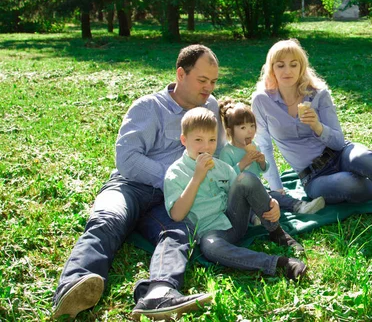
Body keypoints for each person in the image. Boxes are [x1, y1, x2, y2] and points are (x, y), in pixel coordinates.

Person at [52, 45, 237, 320]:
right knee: (107, 220)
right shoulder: (149, 107)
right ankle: (76, 284)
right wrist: (173, 178)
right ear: (180, 74)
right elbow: (127, 158)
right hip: (130, 185)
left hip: (173, 196)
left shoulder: (209, 107)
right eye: (202, 80)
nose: (209, 88)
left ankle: (159, 294)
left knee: (177, 232)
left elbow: (217, 154)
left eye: (213, 81)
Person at [251, 39, 372, 228]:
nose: (288, 70)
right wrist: (277, 189)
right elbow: (264, 147)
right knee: (349, 183)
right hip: (313, 177)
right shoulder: (261, 101)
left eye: (294, 64)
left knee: (365, 158)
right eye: (280, 65)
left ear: (302, 67)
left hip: (340, 154)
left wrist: (318, 127)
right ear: (272, 69)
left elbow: (338, 142)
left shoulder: (318, 93)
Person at [163, 107, 307, 280]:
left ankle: (277, 231)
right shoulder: (175, 173)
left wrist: (271, 202)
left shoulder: (221, 167)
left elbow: (243, 190)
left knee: (245, 178)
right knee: (210, 248)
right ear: (184, 140)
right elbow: (177, 215)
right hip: (211, 232)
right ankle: (277, 263)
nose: (206, 146)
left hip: (235, 220)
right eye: (198, 140)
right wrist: (197, 178)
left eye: (212, 140)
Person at [217, 97, 326, 217]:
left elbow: (262, 169)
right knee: (247, 206)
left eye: (252, 126)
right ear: (230, 130)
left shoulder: (254, 145)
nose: (249, 131)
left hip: (258, 191)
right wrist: (242, 164)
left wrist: (262, 162)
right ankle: (255, 218)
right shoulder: (227, 153)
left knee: (276, 196)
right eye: (243, 128)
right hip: (239, 197)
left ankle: (301, 206)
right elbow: (226, 181)